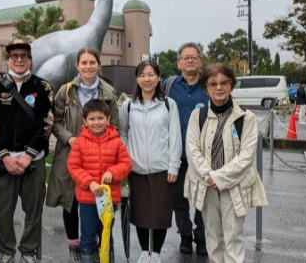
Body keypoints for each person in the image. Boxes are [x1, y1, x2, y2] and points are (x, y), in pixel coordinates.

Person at [185, 63, 268, 263]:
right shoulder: (198, 116)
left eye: (224, 82)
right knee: (213, 238)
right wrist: (209, 175)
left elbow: (246, 157)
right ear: (206, 87)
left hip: (234, 186)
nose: (219, 88)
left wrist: (219, 177)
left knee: (233, 238)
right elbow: (192, 150)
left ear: (231, 84)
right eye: (213, 83)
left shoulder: (246, 118)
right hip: (208, 186)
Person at [46, 47, 119, 262]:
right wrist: (70, 138)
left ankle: (95, 247)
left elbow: (115, 126)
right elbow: (54, 121)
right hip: (70, 154)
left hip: (99, 156)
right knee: (71, 201)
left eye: (92, 62)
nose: (88, 67)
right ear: (77, 66)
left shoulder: (108, 92)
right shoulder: (66, 91)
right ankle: (74, 249)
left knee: (94, 201)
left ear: (98, 65)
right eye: (84, 63)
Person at [0, 39, 54, 263]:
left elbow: (47, 122)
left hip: (33, 158)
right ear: (8, 60)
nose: (19, 60)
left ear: (30, 59)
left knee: (33, 211)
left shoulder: (43, 87)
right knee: (2, 211)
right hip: (3, 159)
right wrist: (5, 156)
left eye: (24, 56)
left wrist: (27, 156)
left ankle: (28, 251)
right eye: (14, 56)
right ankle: (6, 251)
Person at [119, 60, 182, 263]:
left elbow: (175, 136)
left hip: (162, 168)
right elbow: (123, 134)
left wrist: (174, 165)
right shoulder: (128, 106)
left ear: (158, 77)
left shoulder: (168, 104)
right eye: (142, 75)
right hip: (136, 169)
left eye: (151, 74)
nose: (147, 79)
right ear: (137, 79)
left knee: (160, 215)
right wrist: (126, 160)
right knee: (141, 214)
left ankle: (156, 254)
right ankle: (145, 251)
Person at [67, 99, 132, 263]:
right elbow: (73, 167)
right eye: (92, 119)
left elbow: (126, 164)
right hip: (88, 199)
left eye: (100, 118)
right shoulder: (80, 142)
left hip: (109, 199)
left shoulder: (116, 141)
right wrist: (89, 182)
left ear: (108, 119)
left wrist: (112, 171)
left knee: (106, 233)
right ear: (85, 121)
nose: (97, 122)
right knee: (88, 235)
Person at [164, 42, 209, 256]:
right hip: (176, 154)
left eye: (194, 56)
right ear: (179, 62)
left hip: (204, 156)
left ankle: (202, 237)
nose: (190, 60)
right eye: (185, 57)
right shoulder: (169, 85)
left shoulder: (210, 85)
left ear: (200, 61)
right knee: (179, 199)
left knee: (203, 199)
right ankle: (185, 235)